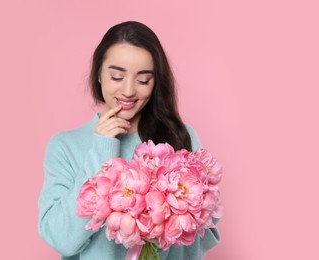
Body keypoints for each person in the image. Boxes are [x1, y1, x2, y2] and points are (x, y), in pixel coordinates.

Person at [38, 21, 220, 260]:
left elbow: (205, 235)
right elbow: (61, 238)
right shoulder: (65, 146)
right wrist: (103, 148)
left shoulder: (180, 136)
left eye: (143, 80)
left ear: (155, 83)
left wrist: (164, 223)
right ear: (99, 75)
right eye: (116, 76)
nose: (128, 91)